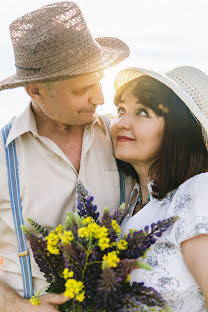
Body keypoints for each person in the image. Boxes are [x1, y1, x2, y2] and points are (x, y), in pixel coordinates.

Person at [0, 2, 133, 311]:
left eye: (99, 82)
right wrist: (18, 306)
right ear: (36, 92)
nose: (100, 98)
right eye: (82, 90)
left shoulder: (124, 137)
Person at [110, 66, 208, 311]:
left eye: (142, 112)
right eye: (121, 110)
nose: (121, 123)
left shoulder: (197, 191)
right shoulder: (129, 203)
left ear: (178, 129)